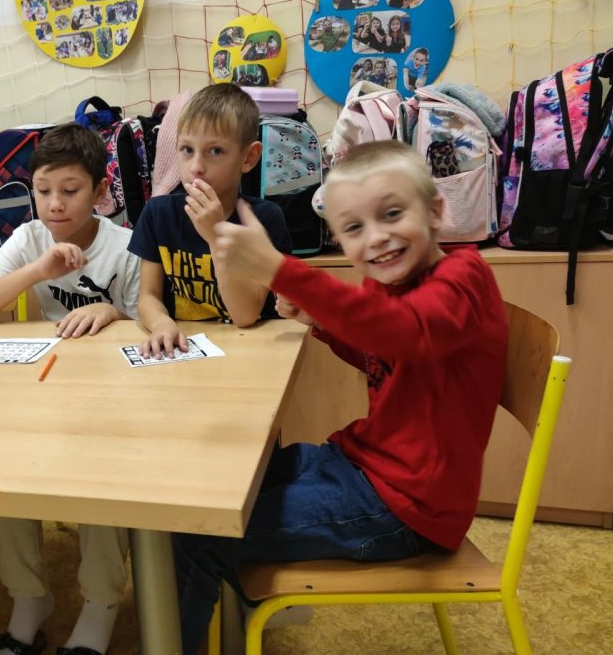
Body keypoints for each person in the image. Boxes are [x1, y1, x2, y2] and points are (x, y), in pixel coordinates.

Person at [171, 140, 508, 654]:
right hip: (363, 467)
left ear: (437, 212)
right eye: (353, 228)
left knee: (200, 532)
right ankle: (237, 609)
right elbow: (385, 350)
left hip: (407, 508)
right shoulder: (388, 283)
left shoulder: (464, 278)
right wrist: (319, 319)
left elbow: (404, 333)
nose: (376, 238)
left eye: (392, 214)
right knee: (212, 491)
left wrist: (280, 270)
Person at [0, 125, 139, 655]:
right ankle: (29, 598)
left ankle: (100, 604)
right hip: (49, 383)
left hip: (112, 394)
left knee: (103, 474)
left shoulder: (126, 246)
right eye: (43, 190)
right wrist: (37, 268)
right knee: (4, 465)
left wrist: (113, 312)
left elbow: (147, 323)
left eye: (70, 190)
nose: (55, 203)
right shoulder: (31, 237)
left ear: (99, 191)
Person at [129, 83, 292, 360]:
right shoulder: (157, 213)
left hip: (251, 351)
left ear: (248, 157)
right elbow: (148, 297)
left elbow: (245, 315)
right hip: (184, 351)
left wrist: (216, 236)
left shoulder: (263, 220)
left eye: (215, 151)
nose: (196, 167)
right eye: (187, 149)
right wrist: (161, 324)